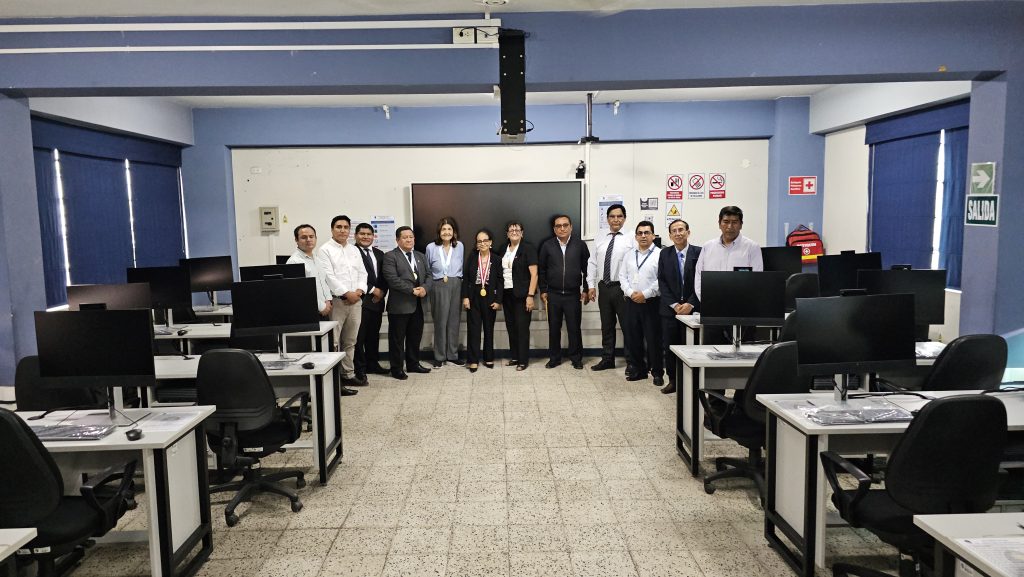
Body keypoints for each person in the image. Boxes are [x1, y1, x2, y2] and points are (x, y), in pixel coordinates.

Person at [694, 205, 763, 345]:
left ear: (741, 224)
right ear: (719, 223)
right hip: (713, 312)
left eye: (734, 222)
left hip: (742, 313)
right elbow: (699, 278)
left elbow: (756, 279)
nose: (730, 226)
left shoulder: (752, 247)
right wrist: (708, 302)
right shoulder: (708, 247)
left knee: (742, 354)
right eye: (726, 222)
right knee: (710, 352)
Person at [315, 215, 368, 388]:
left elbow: (363, 273)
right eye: (339, 227)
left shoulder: (354, 250)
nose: (343, 230)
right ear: (332, 229)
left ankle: (347, 374)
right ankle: (334, 379)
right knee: (334, 342)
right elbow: (328, 276)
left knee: (350, 341)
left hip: (356, 302)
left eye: (346, 227)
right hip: (338, 302)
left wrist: (359, 291)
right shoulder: (325, 250)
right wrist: (346, 293)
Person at [586, 203, 635, 372]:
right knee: (606, 326)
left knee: (628, 326)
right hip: (604, 287)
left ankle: (631, 362)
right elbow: (592, 262)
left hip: (623, 288)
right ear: (607, 219)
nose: (616, 219)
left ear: (624, 218)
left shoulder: (631, 238)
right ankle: (608, 359)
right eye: (612, 216)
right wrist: (591, 285)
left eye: (619, 216)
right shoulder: (600, 237)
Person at [538, 214, 590, 370]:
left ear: (571, 227)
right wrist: (543, 289)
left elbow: (588, 269)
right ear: (554, 229)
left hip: (573, 294)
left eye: (565, 225)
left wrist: (586, 289)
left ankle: (576, 358)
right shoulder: (547, 246)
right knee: (554, 328)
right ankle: (554, 358)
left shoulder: (580, 245)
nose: (562, 228)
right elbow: (542, 270)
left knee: (574, 328)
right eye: (558, 226)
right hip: (553, 294)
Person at [381, 226, 433, 380]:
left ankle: (413, 364)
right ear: (398, 240)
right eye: (405, 237)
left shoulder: (420, 256)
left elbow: (429, 275)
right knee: (397, 339)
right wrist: (412, 290)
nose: (409, 240)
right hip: (399, 306)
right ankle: (396, 369)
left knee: (414, 337)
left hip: (418, 305)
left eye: (411, 237)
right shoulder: (390, 256)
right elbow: (392, 279)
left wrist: (425, 288)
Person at [656, 219, 701, 394]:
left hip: (693, 309)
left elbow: (702, 281)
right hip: (670, 310)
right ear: (670, 235)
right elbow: (662, 281)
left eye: (681, 229)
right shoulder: (664, 254)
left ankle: (693, 382)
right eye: (674, 231)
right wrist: (675, 305)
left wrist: (690, 303)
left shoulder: (699, 252)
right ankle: (673, 380)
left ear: (688, 232)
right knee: (670, 347)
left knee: (692, 347)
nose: (678, 233)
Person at [619, 221, 663, 384]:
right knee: (633, 337)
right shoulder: (629, 254)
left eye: (647, 233)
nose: (643, 236)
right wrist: (630, 293)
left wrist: (645, 294)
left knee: (653, 339)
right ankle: (639, 370)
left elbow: (661, 279)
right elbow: (622, 276)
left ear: (653, 235)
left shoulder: (660, 254)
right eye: (640, 233)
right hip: (631, 302)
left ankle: (657, 372)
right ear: (636, 236)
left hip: (651, 303)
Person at [425, 217, 465, 367]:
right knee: (440, 321)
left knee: (454, 321)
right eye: (443, 229)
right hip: (438, 284)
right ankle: (439, 356)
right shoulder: (431, 247)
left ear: (454, 232)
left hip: (456, 284)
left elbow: (461, 265)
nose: (446, 232)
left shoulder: (459, 246)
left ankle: (452, 355)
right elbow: (427, 269)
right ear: (439, 231)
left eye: (449, 229)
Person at [462, 228, 503, 372]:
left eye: (485, 240)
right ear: (476, 244)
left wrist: (498, 300)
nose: (482, 243)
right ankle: (473, 360)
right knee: (473, 329)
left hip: (491, 298)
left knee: (488, 329)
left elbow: (500, 281)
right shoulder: (472, 258)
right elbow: (466, 278)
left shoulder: (497, 259)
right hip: (473, 298)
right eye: (479, 241)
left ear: (490, 242)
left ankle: (488, 357)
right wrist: (465, 297)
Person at [353, 222, 389, 382]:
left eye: (369, 234)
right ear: (356, 236)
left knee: (373, 335)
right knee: (359, 338)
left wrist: (381, 293)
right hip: (360, 301)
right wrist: (373, 290)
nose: (366, 237)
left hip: (377, 301)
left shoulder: (379, 253)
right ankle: (360, 369)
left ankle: (373, 364)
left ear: (373, 236)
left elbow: (385, 276)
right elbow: (353, 276)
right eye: (362, 234)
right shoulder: (351, 253)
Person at [501, 221, 538, 371]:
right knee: (511, 327)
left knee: (522, 328)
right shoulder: (503, 249)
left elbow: (534, 274)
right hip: (506, 294)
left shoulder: (528, 248)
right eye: (511, 230)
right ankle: (515, 357)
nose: (514, 232)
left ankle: (523, 360)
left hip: (523, 295)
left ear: (522, 233)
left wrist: (530, 295)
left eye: (517, 230)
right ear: (507, 234)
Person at [285, 223, 333, 318]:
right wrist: (322, 307)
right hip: (310, 311)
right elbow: (301, 290)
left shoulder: (317, 259)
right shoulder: (294, 262)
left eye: (311, 236)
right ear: (296, 240)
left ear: (316, 238)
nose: (308, 240)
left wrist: (328, 300)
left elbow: (323, 282)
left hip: (325, 308)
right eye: (304, 237)